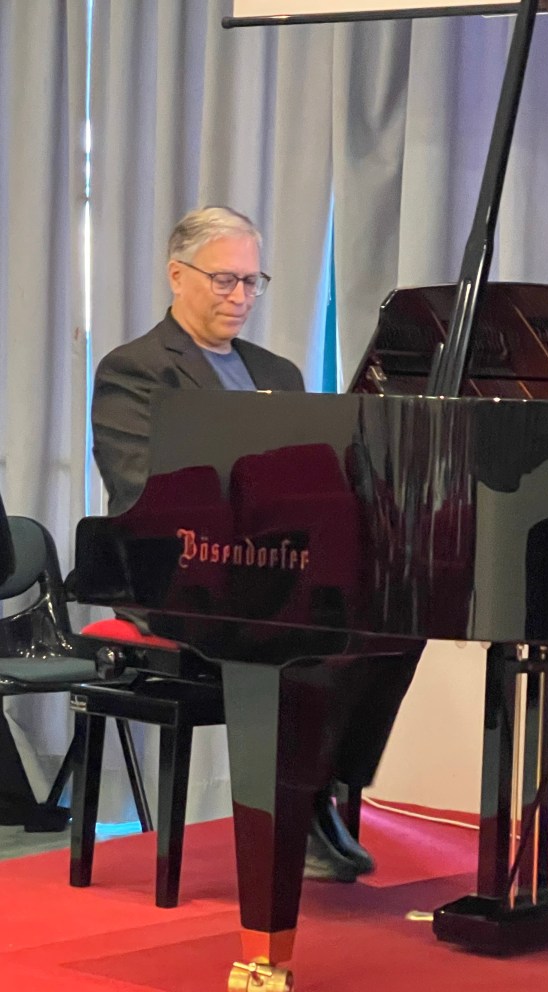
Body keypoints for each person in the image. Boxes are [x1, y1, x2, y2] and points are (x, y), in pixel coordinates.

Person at [91, 205, 418, 881]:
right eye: (224, 280)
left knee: (396, 625)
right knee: (296, 635)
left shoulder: (278, 371)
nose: (240, 297)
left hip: (275, 568)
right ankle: (292, 809)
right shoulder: (137, 370)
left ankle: (320, 788)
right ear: (177, 275)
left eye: (251, 281)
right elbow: (138, 488)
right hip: (178, 575)